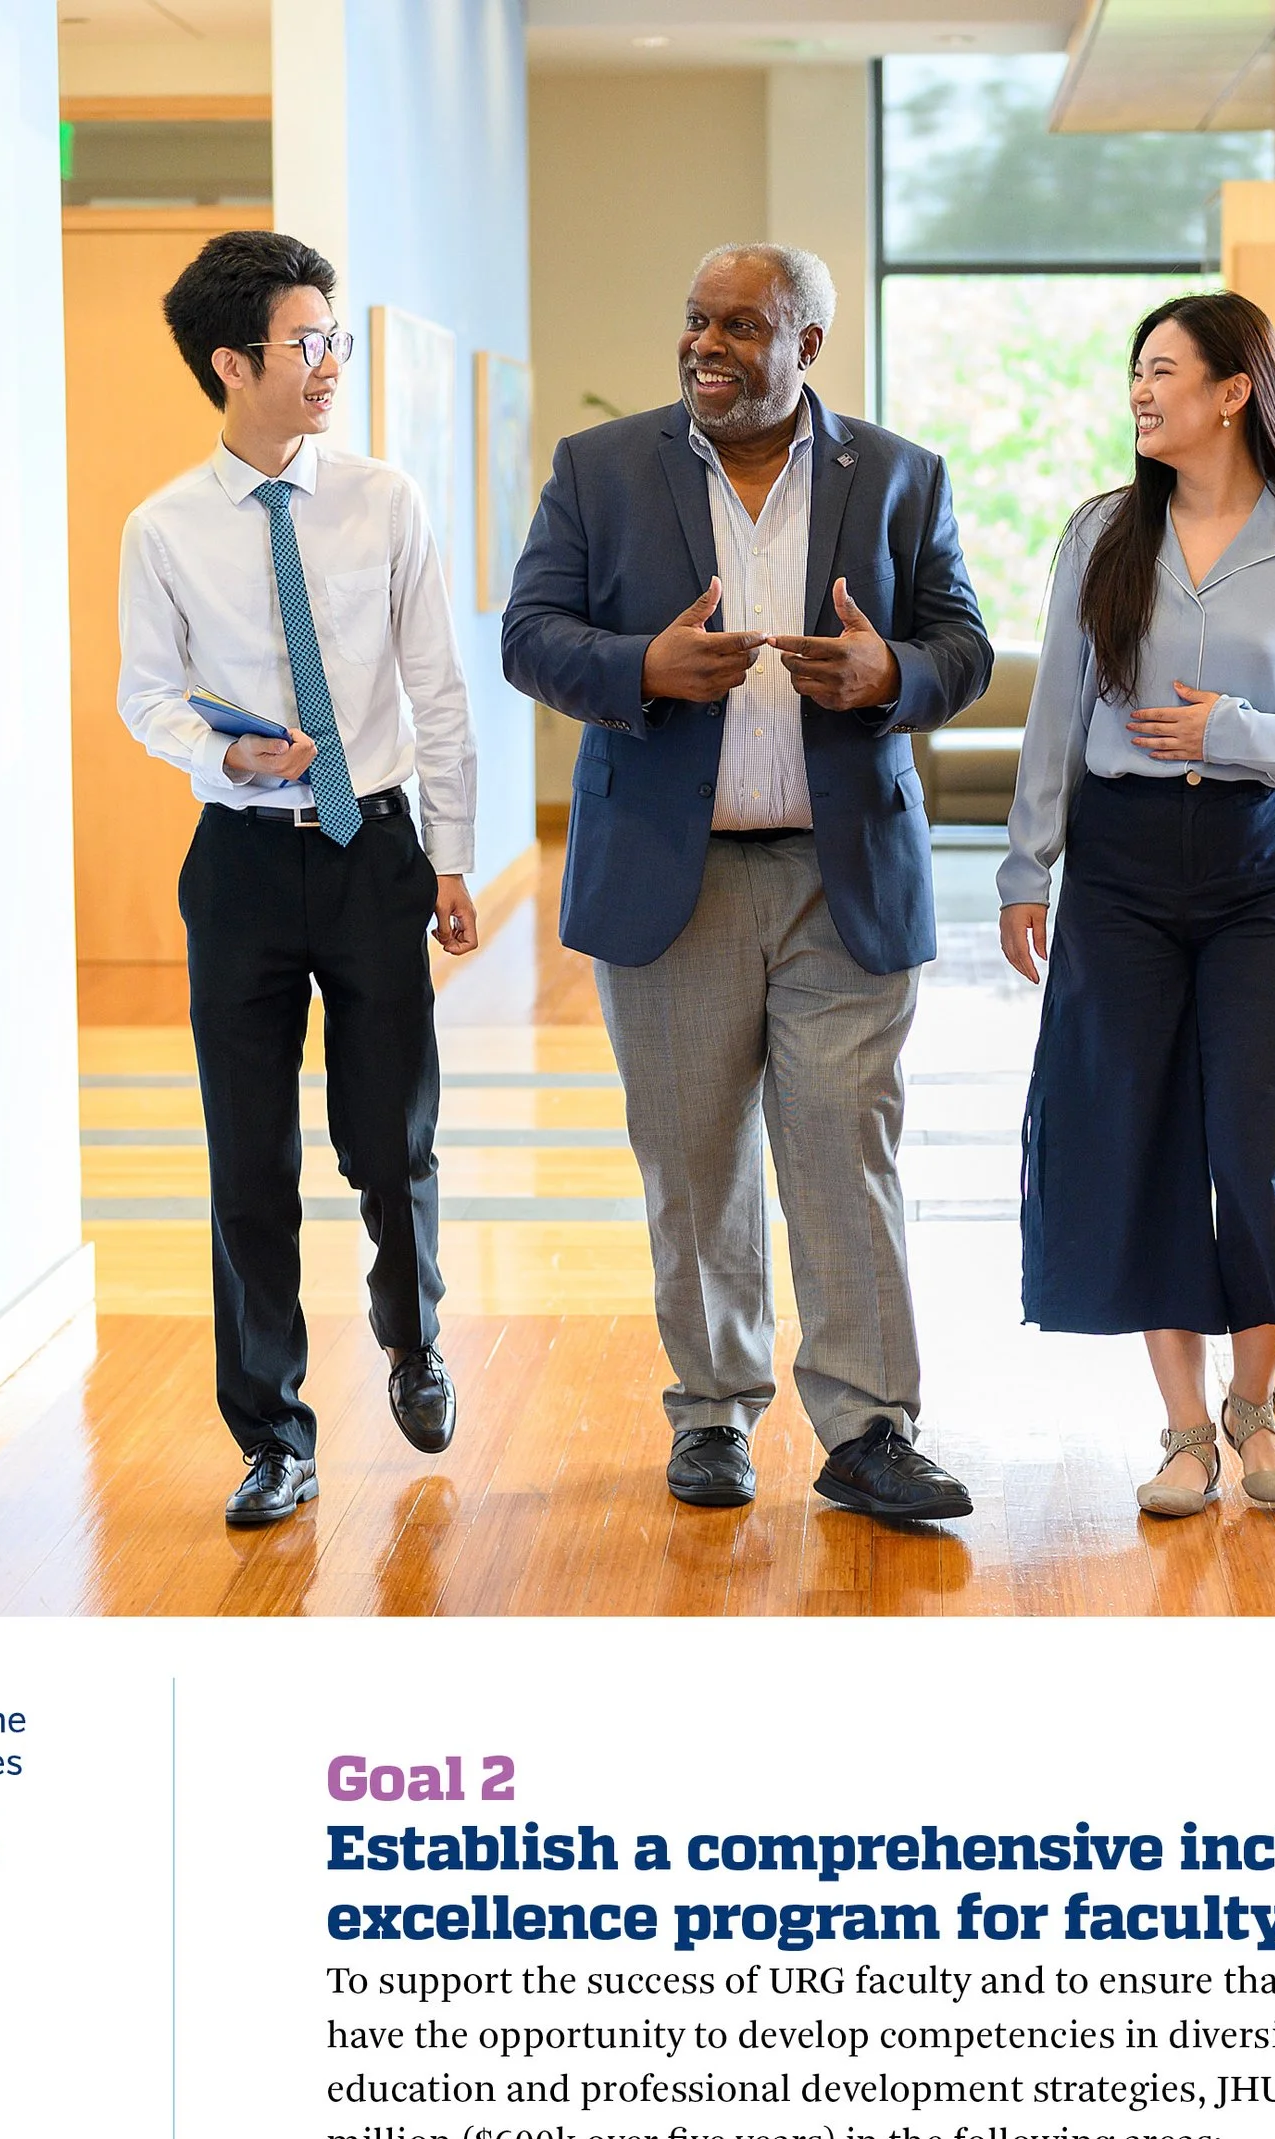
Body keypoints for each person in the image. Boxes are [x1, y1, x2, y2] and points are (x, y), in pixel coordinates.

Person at [502, 243, 994, 1522]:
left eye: (739, 327)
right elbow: (529, 637)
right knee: (693, 1158)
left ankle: (870, 1427)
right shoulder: (600, 469)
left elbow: (964, 644)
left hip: (845, 878)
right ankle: (713, 1412)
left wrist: (892, 678)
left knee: (847, 1152)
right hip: (673, 883)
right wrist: (641, 669)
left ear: (806, 346)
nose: (705, 346)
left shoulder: (896, 475)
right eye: (693, 322)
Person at [997, 292, 1275, 1521]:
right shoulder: (1101, 537)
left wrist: (1238, 734)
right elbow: (1057, 716)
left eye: (1164, 370)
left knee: (1261, 1138)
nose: (1140, 389)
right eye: (1135, 370)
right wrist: (1029, 866)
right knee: (1137, 1136)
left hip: (1261, 870)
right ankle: (1181, 1428)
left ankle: (1257, 1401)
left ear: (1233, 390)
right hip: (1119, 871)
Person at [116, 230, 481, 1528]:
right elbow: (146, 700)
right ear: (232, 363)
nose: (330, 363)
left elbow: (439, 688)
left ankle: (413, 1333)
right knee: (247, 1163)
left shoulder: (386, 500)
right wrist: (224, 756)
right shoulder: (161, 529)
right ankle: (273, 1434)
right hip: (241, 865)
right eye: (305, 343)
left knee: (393, 1138)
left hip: (374, 848)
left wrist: (452, 856)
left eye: (334, 339)